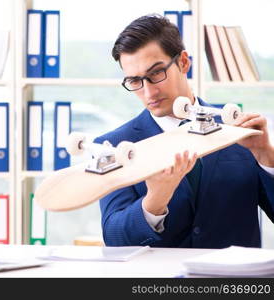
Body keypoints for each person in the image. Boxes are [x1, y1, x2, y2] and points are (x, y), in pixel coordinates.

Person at [95, 14, 274, 248]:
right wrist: (154, 201)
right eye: (135, 81)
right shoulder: (113, 147)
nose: (149, 93)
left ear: (184, 63)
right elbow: (115, 239)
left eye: (156, 73)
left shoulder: (237, 127)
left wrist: (266, 157)